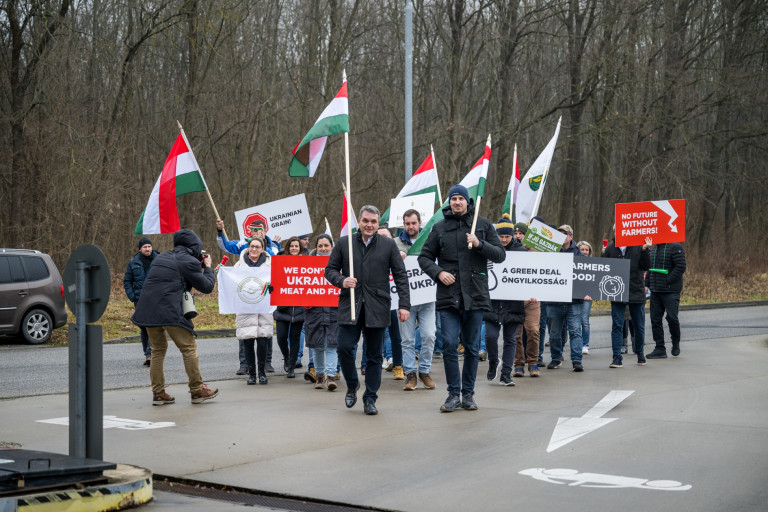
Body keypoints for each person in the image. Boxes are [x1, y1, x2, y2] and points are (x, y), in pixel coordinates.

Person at [418, 184, 506, 412]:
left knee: (471, 347)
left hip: (475, 296)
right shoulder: (439, 228)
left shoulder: (483, 225)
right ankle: (452, 394)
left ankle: (468, 394)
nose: (457, 202)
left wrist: (479, 244)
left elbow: (500, 255)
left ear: (468, 202)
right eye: (453, 198)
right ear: (449, 202)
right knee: (448, 344)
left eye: (461, 198)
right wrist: (439, 273)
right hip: (449, 297)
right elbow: (424, 258)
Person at [325, 205, 411, 416]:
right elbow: (330, 270)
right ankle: (352, 385)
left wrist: (404, 305)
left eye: (373, 221)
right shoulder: (345, 243)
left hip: (377, 306)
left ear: (377, 222)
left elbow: (400, 276)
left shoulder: (388, 245)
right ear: (359, 222)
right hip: (351, 304)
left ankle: (370, 398)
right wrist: (342, 280)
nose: (369, 225)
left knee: (374, 356)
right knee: (344, 348)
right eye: (365, 221)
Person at [132, 229, 218, 405]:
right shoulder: (188, 260)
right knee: (188, 348)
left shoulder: (162, 257)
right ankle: (197, 390)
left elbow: (175, 274)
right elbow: (207, 286)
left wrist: (197, 265)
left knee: (157, 351)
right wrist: (207, 267)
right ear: (194, 246)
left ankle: (158, 393)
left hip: (148, 310)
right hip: (169, 310)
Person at [216, 218, 279, 375]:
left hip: (264, 300)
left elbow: (276, 265)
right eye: (253, 230)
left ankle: (266, 364)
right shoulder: (243, 246)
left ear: (265, 230)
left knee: (265, 332)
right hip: (246, 300)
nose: (255, 233)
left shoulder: (272, 249)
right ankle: (244, 364)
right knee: (246, 332)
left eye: (259, 230)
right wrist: (221, 273)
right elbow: (226, 249)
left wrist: (271, 246)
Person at [394, 209, 437, 391]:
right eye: (407, 223)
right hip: (405, 301)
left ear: (420, 223)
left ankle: (424, 371)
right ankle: (410, 373)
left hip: (427, 299)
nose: (411, 226)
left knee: (429, 335)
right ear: (403, 225)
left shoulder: (429, 241)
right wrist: (397, 259)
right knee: (407, 340)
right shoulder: (395, 243)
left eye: (414, 223)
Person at [484, 214, 528, 386]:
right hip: (492, 301)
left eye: (507, 236)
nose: (503, 240)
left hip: (513, 302)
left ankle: (506, 374)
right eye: (500, 236)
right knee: (490, 336)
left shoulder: (521, 252)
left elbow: (529, 277)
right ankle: (494, 360)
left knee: (511, 339)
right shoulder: (488, 249)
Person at [604, 230, 652, 367]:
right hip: (616, 292)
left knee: (638, 325)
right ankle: (617, 357)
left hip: (635, 290)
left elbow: (646, 266)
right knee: (617, 325)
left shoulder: (639, 245)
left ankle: (640, 352)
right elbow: (604, 270)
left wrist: (644, 250)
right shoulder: (610, 249)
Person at [545, 225, 588, 373]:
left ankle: (577, 360)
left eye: (565, 234)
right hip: (554, 300)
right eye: (559, 234)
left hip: (574, 301)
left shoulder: (580, 256)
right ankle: (556, 358)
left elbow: (587, 278)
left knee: (575, 331)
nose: (562, 236)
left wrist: (587, 291)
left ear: (571, 236)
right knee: (555, 333)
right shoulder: (549, 252)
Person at [233, 237, 274, 385]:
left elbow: (276, 281)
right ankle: (251, 374)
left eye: (257, 247)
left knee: (263, 341)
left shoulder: (270, 266)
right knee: (248, 342)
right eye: (252, 246)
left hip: (264, 308)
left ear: (263, 249)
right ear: (248, 247)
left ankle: (262, 372)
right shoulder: (239, 265)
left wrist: (272, 288)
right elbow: (232, 283)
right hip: (246, 308)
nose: (254, 249)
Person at [305, 234, 339, 390]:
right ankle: (319, 376)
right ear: (316, 247)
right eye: (320, 246)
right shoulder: (307, 264)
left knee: (332, 344)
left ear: (332, 246)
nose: (323, 248)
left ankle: (331, 376)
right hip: (314, 311)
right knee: (317, 345)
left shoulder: (341, 262)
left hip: (334, 310)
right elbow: (300, 285)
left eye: (326, 245)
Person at [645, 241, 687, 358]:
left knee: (672, 318)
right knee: (655, 320)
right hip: (655, 290)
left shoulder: (675, 247)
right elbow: (650, 268)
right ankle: (660, 348)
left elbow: (681, 266)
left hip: (671, 291)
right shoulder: (654, 248)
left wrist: (667, 280)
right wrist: (647, 283)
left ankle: (675, 343)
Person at [511, 221, 541, 378]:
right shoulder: (509, 251)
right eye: (515, 234)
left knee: (533, 330)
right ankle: (518, 364)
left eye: (520, 233)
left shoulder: (537, 252)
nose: (517, 236)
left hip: (532, 300)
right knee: (516, 334)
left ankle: (533, 362)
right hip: (515, 300)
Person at [124, 237, 159, 366]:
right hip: (140, 299)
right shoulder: (133, 262)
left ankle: (153, 353)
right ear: (140, 249)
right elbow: (127, 281)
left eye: (149, 246)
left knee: (154, 325)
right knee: (144, 327)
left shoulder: (159, 260)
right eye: (145, 247)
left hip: (156, 298)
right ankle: (148, 354)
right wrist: (132, 296)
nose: (147, 249)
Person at [273, 236, 305, 378]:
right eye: (291, 246)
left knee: (295, 338)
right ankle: (286, 357)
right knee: (281, 337)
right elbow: (272, 279)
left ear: (300, 248)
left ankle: (291, 366)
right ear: (288, 247)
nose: (294, 248)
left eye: (296, 246)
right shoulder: (280, 262)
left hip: (299, 309)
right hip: (282, 309)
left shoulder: (306, 263)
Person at [376, 225, 405, 380]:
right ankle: (372, 364)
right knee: (375, 335)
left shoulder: (398, 255)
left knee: (396, 335)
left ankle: (398, 366)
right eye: (379, 236)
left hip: (393, 302)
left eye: (385, 236)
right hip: (377, 301)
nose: (382, 239)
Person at [576, 241, 594, 355]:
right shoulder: (573, 262)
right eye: (582, 249)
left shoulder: (593, 263)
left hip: (588, 296)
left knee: (584, 321)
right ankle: (577, 344)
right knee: (574, 322)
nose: (584, 252)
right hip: (576, 295)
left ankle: (585, 345)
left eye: (586, 249)